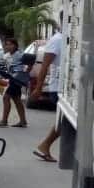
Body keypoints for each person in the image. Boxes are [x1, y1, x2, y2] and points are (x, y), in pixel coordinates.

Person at [33, 25, 63, 163]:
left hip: (64, 87)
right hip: (58, 87)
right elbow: (45, 65)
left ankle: (44, 146)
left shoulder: (66, 38)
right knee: (64, 121)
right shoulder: (57, 39)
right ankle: (44, 145)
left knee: (64, 122)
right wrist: (38, 88)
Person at [0, 37, 27, 129]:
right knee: (17, 100)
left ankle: (4, 121)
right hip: (12, 79)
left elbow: (28, 63)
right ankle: (23, 121)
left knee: (6, 97)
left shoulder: (20, 55)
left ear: (15, 45)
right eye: (7, 44)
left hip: (17, 79)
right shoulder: (7, 55)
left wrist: (26, 73)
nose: (9, 46)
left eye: (11, 44)